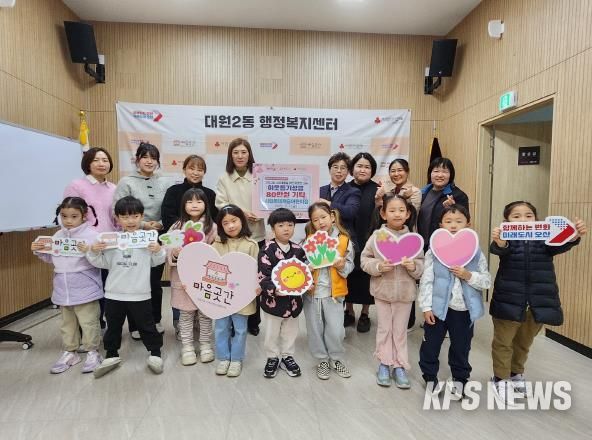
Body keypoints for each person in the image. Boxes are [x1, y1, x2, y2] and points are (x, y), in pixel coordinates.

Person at [489, 201, 586, 404]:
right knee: (503, 342)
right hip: (508, 299)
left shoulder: (544, 238)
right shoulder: (506, 238)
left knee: (524, 342)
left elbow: (560, 245)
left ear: (536, 218)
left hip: (537, 301)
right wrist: (500, 241)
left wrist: (574, 235)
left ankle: (516, 374)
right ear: (507, 220)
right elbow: (500, 250)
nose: (523, 220)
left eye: (528, 215)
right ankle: (500, 379)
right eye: (516, 216)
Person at [86, 196, 166, 378]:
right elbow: (101, 263)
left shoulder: (147, 239)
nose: (130, 221)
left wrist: (158, 251)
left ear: (142, 217)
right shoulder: (111, 240)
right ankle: (111, 354)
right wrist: (94, 251)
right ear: (117, 218)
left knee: (147, 325)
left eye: (135, 216)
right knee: (113, 326)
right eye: (125, 217)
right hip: (114, 293)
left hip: (140, 293)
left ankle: (155, 353)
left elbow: (157, 261)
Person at [418, 205, 491, 398]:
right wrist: (426, 307)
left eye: (459, 221)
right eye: (448, 221)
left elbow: (486, 281)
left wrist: (468, 275)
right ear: (440, 225)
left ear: (468, 224)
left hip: (464, 310)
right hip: (438, 309)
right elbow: (427, 280)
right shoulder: (434, 251)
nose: (453, 225)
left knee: (461, 347)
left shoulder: (476, 252)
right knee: (431, 345)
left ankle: (460, 378)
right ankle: (430, 376)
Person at [31, 197, 103, 374]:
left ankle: (93, 352)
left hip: (86, 288)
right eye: (64, 216)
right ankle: (71, 352)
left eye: (74, 216)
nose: (68, 221)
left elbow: (100, 261)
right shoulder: (58, 235)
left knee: (89, 322)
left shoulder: (92, 235)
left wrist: (89, 251)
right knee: (67, 324)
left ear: (84, 216)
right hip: (63, 289)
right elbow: (52, 258)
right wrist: (40, 250)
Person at [361, 194, 424, 388]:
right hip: (382, 292)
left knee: (400, 331)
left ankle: (400, 365)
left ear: (408, 214)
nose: (397, 214)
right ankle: (384, 362)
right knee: (384, 329)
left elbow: (422, 266)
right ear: (383, 213)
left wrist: (413, 267)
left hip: (405, 294)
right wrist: (378, 266)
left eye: (401, 210)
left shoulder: (413, 239)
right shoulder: (377, 236)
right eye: (392, 210)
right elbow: (364, 260)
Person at [114, 142, 170, 338]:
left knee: (154, 282)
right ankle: (135, 325)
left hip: (157, 237)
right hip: (133, 237)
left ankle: (155, 320)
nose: (149, 161)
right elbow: (117, 211)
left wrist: (160, 224)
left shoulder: (165, 182)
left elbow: (170, 208)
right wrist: (144, 224)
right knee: (135, 282)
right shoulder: (126, 182)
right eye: (145, 157)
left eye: (153, 158)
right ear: (137, 159)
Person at [161, 154, 217, 335]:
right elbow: (167, 216)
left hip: (203, 254)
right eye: (192, 168)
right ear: (184, 169)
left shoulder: (210, 194)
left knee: (201, 289)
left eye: (200, 169)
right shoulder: (173, 191)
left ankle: (201, 324)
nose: (195, 172)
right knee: (181, 289)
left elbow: (213, 219)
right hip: (181, 249)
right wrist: (185, 233)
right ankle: (180, 323)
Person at [215, 138, 265, 336]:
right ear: (230, 155)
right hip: (232, 235)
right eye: (235, 152)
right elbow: (220, 204)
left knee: (254, 278)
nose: (240, 156)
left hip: (256, 234)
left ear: (249, 154)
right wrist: (241, 213)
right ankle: (231, 318)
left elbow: (269, 199)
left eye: (244, 152)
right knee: (232, 279)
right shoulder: (224, 178)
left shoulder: (261, 175)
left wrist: (263, 212)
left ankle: (253, 321)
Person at [63, 147, 117, 330]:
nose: (101, 164)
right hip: (87, 246)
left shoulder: (113, 188)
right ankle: (88, 328)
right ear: (87, 163)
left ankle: (100, 325)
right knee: (90, 289)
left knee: (107, 286)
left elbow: (116, 218)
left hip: (110, 246)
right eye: (96, 160)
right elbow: (68, 217)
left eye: (105, 160)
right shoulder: (77, 186)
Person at [303, 202, 355, 380]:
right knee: (315, 329)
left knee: (336, 330)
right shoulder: (309, 241)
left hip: (335, 294)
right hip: (313, 294)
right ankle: (322, 360)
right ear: (311, 222)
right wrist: (307, 270)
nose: (320, 222)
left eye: (323, 217)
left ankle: (336, 358)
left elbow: (349, 266)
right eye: (315, 220)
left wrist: (341, 266)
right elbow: (301, 268)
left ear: (332, 217)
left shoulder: (344, 240)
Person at [167, 188, 217, 366]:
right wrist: (174, 252)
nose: (194, 205)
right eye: (189, 202)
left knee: (205, 314)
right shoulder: (176, 226)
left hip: (205, 280)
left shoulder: (212, 227)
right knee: (186, 313)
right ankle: (187, 347)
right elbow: (168, 249)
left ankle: (205, 344)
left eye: (199, 201)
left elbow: (217, 252)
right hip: (183, 279)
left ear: (206, 205)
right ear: (183, 205)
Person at [258, 208, 307, 378]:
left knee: (290, 332)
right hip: (273, 302)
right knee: (271, 333)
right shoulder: (267, 249)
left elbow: (304, 273)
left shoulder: (298, 250)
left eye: (290, 225)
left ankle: (287, 357)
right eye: (281, 225)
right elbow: (263, 275)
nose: (286, 229)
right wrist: (273, 289)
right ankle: (272, 357)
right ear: (273, 228)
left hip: (293, 302)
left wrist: (307, 281)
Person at [213, 205, 260, 378]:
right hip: (221, 296)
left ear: (242, 221)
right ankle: (224, 358)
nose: (231, 226)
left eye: (234, 221)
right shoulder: (216, 244)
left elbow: (257, 270)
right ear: (220, 226)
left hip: (243, 297)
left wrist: (257, 286)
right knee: (221, 327)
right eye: (225, 223)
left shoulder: (251, 244)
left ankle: (236, 359)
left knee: (240, 329)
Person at [374, 158, 422, 330]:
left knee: (407, 276)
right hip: (387, 237)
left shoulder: (415, 191)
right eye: (393, 171)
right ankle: (388, 316)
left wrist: (401, 198)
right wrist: (378, 198)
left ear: (407, 171)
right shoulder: (387, 189)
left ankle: (408, 320)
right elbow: (380, 211)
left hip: (406, 238)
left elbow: (411, 213)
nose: (396, 174)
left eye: (400, 170)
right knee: (388, 274)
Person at [344, 152, 379, 332]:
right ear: (352, 169)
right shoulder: (345, 188)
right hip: (347, 241)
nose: (363, 170)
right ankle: (349, 311)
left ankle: (365, 313)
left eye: (367, 167)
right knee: (348, 276)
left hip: (370, 240)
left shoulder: (378, 190)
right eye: (359, 166)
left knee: (367, 278)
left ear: (372, 170)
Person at [417, 157, 469, 251]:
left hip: (444, 245)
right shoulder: (421, 193)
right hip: (421, 244)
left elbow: (465, 222)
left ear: (451, 175)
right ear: (430, 173)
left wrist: (453, 208)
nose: (440, 175)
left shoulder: (458, 195)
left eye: (445, 172)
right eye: (436, 171)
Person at [319, 152, 361, 241]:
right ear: (329, 170)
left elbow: (350, 212)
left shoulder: (353, 191)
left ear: (348, 172)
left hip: (344, 240)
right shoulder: (320, 191)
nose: (339, 171)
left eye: (343, 168)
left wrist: (328, 204)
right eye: (335, 167)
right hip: (321, 240)